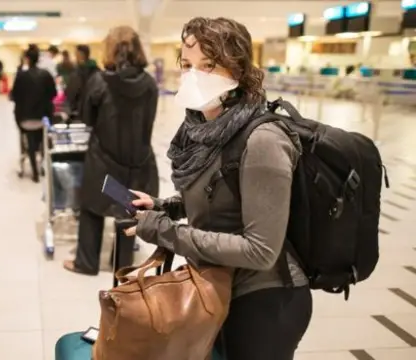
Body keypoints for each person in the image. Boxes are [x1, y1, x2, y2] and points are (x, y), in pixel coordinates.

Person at [125, 17, 311, 360]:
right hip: (219, 285)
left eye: (209, 66)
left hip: (264, 301)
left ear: (237, 71)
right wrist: (165, 205)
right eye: (187, 65)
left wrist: (167, 233)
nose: (194, 76)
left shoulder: (262, 140)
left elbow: (260, 250)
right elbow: (221, 193)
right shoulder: (204, 129)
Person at [62, 26, 159, 276]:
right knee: (129, 210)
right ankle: (122, 265)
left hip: (103, 160)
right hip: (138, 160)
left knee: (92, 209)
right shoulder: (149, 83)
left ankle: (86, 263)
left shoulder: (100, 81)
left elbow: (87, 117)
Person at [10, 44, 57, 183]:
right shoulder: (46, 75)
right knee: (43, 136)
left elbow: (14, 96)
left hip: (24, 119)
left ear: (27, 59)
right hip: (44, 119)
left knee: (28, 138)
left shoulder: (21, 76)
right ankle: (43, 163)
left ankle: (34, 172)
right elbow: (53, 94)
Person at [65, 44, 100, 117]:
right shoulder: (97, 70)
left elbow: (72, 91)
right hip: (95, 108)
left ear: (81, 54)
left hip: (80, 108)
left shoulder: (77, 72)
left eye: (76, 54)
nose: (75, 56)